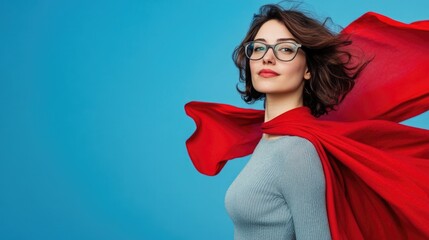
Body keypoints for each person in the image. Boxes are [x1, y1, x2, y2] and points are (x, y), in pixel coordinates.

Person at [184, 3, 429, 240]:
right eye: (259, 48)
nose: (268, 58)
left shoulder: (296, 151)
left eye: (286, 49)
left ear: (308, 69)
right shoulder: (270, 140)